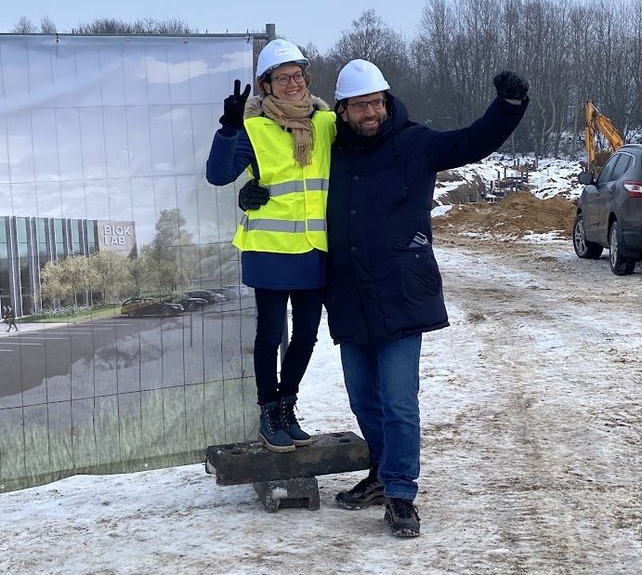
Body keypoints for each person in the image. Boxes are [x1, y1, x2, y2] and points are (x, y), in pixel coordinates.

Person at [241, 60, 529, 537]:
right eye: (360, 105)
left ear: (386, 102)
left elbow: (472, 142)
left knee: (398, 402)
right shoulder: (331, 148)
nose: (370, 112)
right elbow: (292, 176)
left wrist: (508, 106)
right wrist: (253, 192)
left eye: (376, 103)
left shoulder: (414, 143)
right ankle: (380, 472)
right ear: (343, 110)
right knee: (363, 400)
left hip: (401, 293)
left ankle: (400, 493)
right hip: (350, 293)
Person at [206, 39, 337, 452]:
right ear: (266, 86)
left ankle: (286, 405)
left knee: (307, 335)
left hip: (314, 247)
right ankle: (268, 412)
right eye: (282, 79)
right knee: (270, 334)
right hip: (269, 249)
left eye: (297, 76)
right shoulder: (255, 128)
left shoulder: (326, 123)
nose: (293, 84)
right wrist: (228, 129)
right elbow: (218, 175)